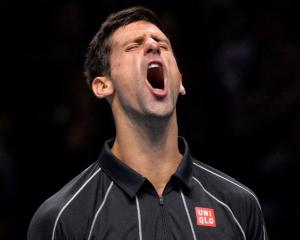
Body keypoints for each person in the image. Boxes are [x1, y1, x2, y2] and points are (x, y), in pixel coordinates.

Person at [27, 6, 268, 240]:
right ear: (103, 85)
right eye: (134, 45)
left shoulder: (238, 204)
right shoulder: (63, 217)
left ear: (180, 81)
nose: (153, 45)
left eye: (162, 45)